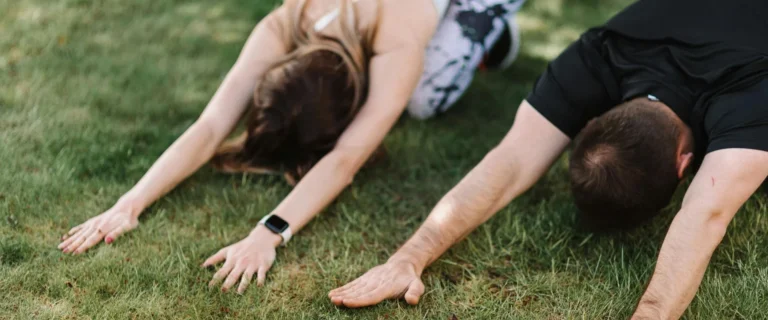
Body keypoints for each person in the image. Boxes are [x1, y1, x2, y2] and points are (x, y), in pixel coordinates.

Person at [329, 0, 768, 318]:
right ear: (685, 164)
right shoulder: (599, 54)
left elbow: (707, 212)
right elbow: (512, 162)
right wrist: (408, 257)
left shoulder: (749, 94)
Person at [57, 0, 527, 294]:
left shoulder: (398, 41)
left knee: (424, 100)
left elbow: (345, 158)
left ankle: (494, 29)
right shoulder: (287, 19)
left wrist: (269, 233)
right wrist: (130, 202)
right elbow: (211, 124)